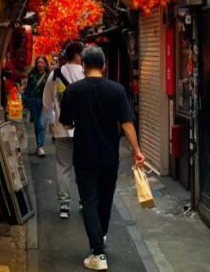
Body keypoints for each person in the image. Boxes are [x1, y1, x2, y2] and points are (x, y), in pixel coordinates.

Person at [59, 45, 146, 271]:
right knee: (106, 199)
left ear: (83, 65)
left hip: (84, 154)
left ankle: (97, 253)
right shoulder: (116, 90)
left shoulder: (73, 91)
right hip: (109, 155)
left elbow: (66, 123)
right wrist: (136, 150)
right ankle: (101, 237)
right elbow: (127, 123)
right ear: (104, 66)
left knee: (89, 200)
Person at [42, 41, 85, 219]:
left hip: (62, 128)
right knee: (83, 166)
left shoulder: (55, 74)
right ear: (77, 56)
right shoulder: (86, 73)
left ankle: (64, 205)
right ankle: (84, 200)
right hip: (84, 129)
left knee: (63, 166)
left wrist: (53, 119)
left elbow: (46, 103)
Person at [24, 56, 50, 157]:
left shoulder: (48, 76)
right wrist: (27, 100)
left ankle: (40, 146)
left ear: (45, 64)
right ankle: (39, 146)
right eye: (38, 62)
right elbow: (28, 89)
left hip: (45, 101)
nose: (40, 64)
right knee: (37, 123)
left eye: (42, 62)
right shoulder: (32, 76)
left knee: (41, 123)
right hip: (34, 101)